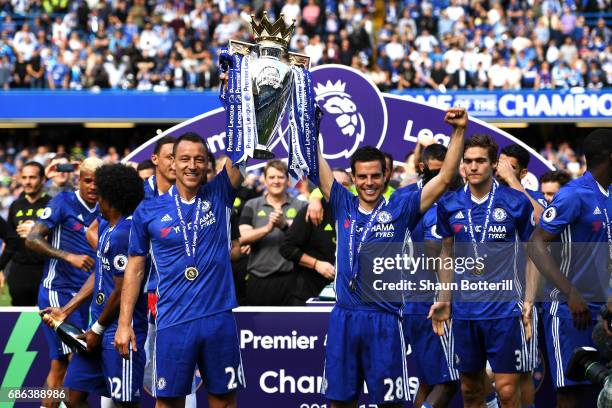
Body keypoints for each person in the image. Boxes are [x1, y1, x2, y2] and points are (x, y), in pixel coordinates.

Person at [317, 107, 466, 407]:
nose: (369, 182)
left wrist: (459, 131)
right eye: (362, 177)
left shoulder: (401, 208)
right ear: (353, 178)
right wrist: (313, 124)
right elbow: (316, 164)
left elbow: (447, 176)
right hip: (344, 317)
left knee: (391, 403)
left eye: (375, 175)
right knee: (339, 402)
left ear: (386, 175)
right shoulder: (342, 203)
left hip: (384, 320)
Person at [115, 132, 245, 408]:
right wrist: (124, 323)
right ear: (171, 162)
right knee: (169, 402)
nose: (192, 165)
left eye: (199, 159)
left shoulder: (220, 193)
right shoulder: (148, 210)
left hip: (217, 317)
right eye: (184, 158)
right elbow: (135, 270)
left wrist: (236, 97)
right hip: (173, 320)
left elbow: (242, 150)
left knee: (224, 401)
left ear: (208, 164)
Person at [431, 134, 537, 408]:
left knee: (506, 390)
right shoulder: (449, 203)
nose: (473, 167)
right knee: (470, 390)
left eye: (480, 161)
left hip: (504, 310)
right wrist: (444, 298)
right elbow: (447, 252)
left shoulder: (515, 201)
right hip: (465, 312)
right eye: (468, 161)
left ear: (493, 164)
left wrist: (529, 299)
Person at [40, 164, 146, 406]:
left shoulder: (125, 233)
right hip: (95, 326)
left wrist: (97, 330)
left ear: (110, 197)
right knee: (72, 396)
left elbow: (122, 290)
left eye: (100, 192)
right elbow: (101, 273)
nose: (95, 197)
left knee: (124, 403)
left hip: (119, 331)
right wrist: (66, 310)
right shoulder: (109, 228)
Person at [528, 129, 611, 408]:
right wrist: (571, 292)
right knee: (571, 391)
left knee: (604, 390)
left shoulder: (609, 193)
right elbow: (536, 244)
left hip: (605, 309)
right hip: (569, 308)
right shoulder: (573, 195)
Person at [26, 157, 103, 408]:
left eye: (97, 181)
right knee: (76, 364)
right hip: (58, 294)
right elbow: (32, 239)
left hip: (88, 296)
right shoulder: (63, 202)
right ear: (78, 179)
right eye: (87, 180)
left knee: (58, 367)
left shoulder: (107, 207)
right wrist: (68, 256)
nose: (92, 186)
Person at [402, 144, 461, 408]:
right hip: (433, 301)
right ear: (423, 168)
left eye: (446, 174)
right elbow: (436, 253)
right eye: (436, 173)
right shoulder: (430, 204)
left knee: (429, 379)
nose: (443, 180)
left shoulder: (405, 197)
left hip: (421, 299)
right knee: (448, 382)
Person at [496, 143, 547, 408]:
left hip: (519, 298)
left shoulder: (533, 197)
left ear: (523, 171)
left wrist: (512, 180)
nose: (501, 171)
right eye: (499, 164)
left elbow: (539, 220)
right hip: (481, 300)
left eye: (511, 167)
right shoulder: (484, 194)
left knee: (523, 373)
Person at [279, 169, 352, 304]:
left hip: (346, 295)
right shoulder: (312, 211)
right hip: (309, 292)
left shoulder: (356, 212)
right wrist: (316, 264)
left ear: (351, 187)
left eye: (345, 184)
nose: (340, 189)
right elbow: (286, 248)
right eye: (335, 184)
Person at [239, 160, 306, 306]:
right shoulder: (252, 205)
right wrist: (267, 228)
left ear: (288, 180)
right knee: (258, 328)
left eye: (281, 177)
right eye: (271, 177)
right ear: (264, 179)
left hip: (291, 280)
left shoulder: (301, 205)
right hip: (258, 279)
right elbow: (242, 239)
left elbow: (306, 240)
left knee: (291, 327)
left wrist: (284, 225)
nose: (276, 181)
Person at [0, 161, 51, 305]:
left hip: (44, 269)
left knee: (47, 316)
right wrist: (1, 268)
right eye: (24, 177)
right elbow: (8, 238)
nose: (27, 182)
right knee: (20, 318)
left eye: (32, 177)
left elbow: (61, 238)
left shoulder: (51, 204)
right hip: (19, 270)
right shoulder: (15, 205)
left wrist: (36, 232)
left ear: (42, 179)